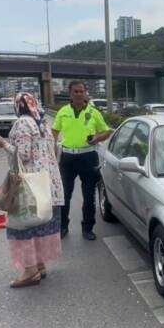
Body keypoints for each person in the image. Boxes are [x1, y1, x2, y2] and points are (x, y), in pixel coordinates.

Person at [0, 93, 65, 288]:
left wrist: (3, 144)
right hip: (49, 184)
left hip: (29, 186)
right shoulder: (43, 122)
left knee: (21, 227)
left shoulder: (23, 123)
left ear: (19, 106)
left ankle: (30, 271)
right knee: (39, 225)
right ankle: (39, 265)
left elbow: (22, 154)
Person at [52, 80, 113, 241]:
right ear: (70, 93)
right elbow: (54, 131)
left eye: (82, 91)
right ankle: (62, 226)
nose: (79, 94)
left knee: (89, 196)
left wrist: (97, 138)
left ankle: (87, 228)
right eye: (76, 91)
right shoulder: (63, 112)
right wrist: (53, 149)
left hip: (88, 157)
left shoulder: (94, 112)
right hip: (67, 158)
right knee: (64, 195)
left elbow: (107, 131)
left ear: (86, 93)